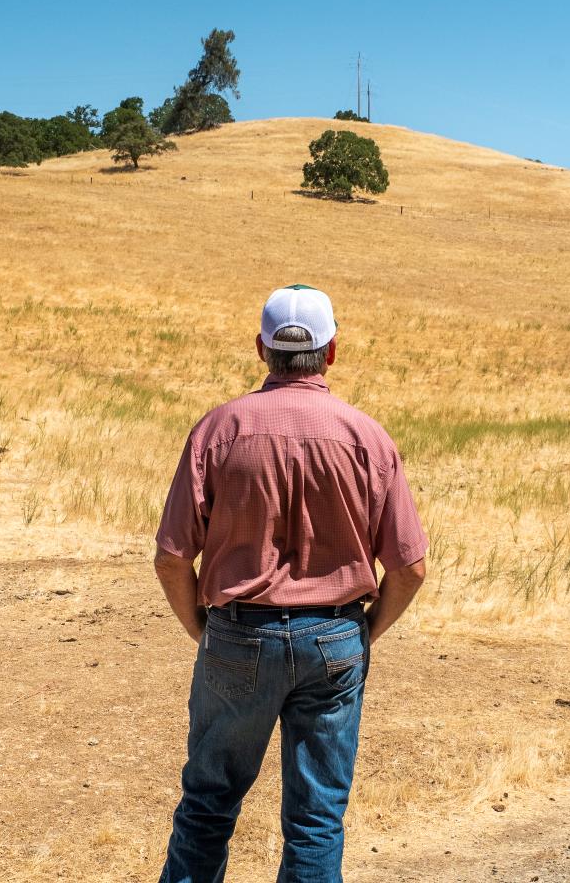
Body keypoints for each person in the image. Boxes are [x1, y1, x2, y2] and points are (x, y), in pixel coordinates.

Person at [154, 284, 428, 883]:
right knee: (316, 819)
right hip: (335, 637)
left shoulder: (219, 431)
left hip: (236, 634)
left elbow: (173, 557)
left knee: (207, 806)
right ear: (331, 352)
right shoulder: (368, 440)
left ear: (261, 349)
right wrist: (364, 634)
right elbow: (408, 568)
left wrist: (202, 629)